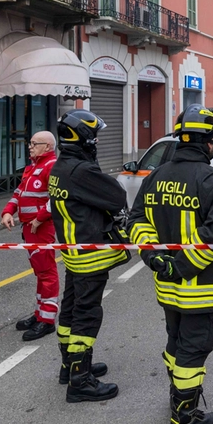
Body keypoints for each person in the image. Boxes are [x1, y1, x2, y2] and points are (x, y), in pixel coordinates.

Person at [128, 106, 213, 424]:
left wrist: (153, 257)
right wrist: (180, 266)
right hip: (203, 290)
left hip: (167, 288)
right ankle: (184, 418)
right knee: (192, 351)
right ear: (210, 142)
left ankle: (178, 396)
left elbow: (136, 222)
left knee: (176, 345)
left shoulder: (156, 176)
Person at [49, 111, 128, 402]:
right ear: (84, 138)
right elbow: (117, 197)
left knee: (70, 309)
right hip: (90, 254)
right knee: (87, 314)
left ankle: (69, 366)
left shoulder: (61, 167)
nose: (97, 141)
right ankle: (80, 380)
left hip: (72, 252)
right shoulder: (82, 171)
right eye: (94, 136)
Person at [1, 131, 59, 342]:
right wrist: (8, 210)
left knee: (47, 272)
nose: (30, 146)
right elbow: (19, 192)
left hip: (41, 228)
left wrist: (40, 218)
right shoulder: (33, 166)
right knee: (40, 272)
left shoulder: (52, 166)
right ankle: (39, 314)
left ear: (48, 147)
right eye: (31, 143)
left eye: (35, 144)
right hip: (30, 228)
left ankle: (48, 320)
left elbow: (56, 198)